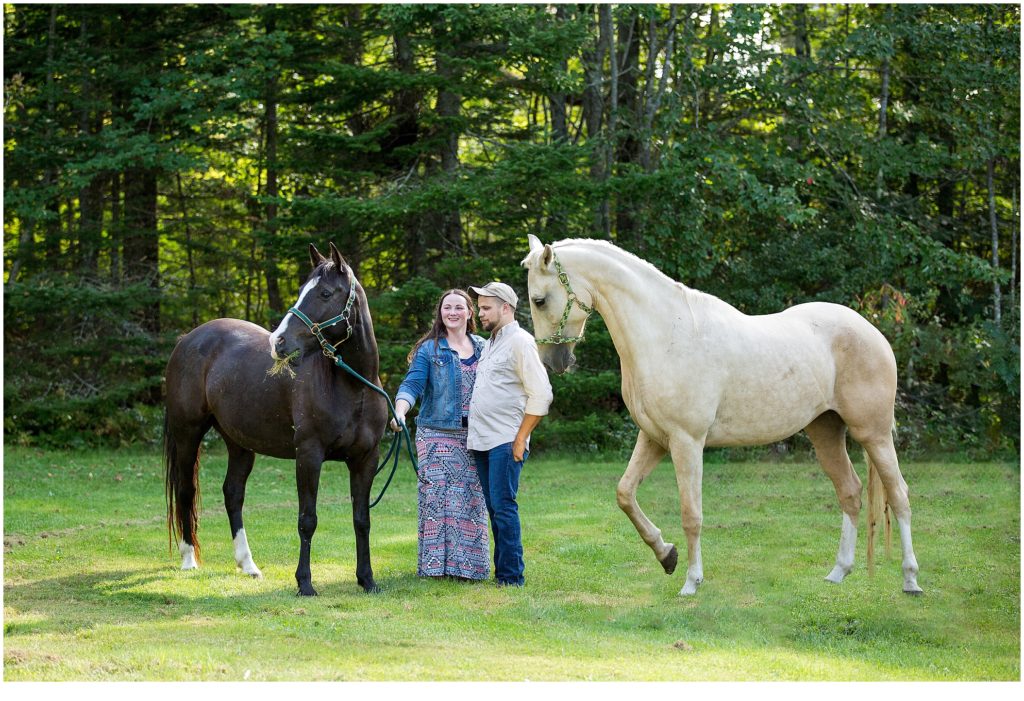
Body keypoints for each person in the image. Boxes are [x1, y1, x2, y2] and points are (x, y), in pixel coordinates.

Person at [394, 289, 489, 581]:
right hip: (436, 435)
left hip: (475, 437)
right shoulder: (429, 349)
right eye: (447, 307)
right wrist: (400, 411)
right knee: (436, 501)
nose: (453, 312)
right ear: (440, 313)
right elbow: (412, 385)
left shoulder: (485, 347)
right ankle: (435, 569)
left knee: (471, 501)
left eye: (459, 307)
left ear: (469, 312)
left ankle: (470, 569)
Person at [466, 281, 553, 588]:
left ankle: (512, 578)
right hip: (483, 441)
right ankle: (502, 573)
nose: (480, 312)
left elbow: (541, 395)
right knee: (495, 509)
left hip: (505, 441)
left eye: (486, 307)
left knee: (503, 508)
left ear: (506, 308)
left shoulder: (520, 341)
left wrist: (520, 438)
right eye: (479, 306)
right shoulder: (491, 343)